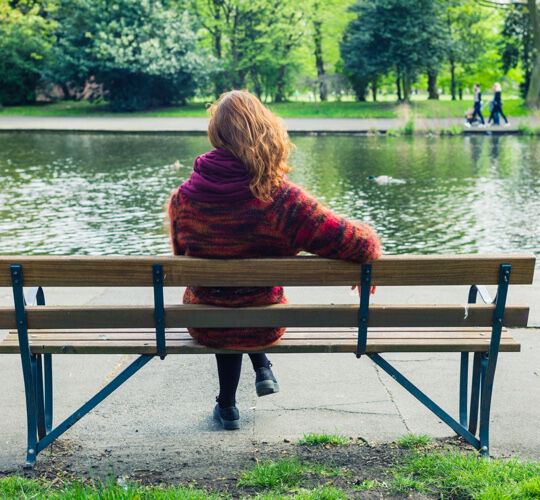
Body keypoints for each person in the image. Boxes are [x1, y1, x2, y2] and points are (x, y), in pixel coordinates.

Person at [167, 90, 381, 430]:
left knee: (223, 301)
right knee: (246, 302)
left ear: (217, 134)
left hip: (205, 320)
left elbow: (182, 260)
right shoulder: (281, 198)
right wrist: (368, 240)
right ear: (264, 129)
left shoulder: (183, 198)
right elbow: (354, 243)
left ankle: (228, 404)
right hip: (265, 320)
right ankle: (261, 366)